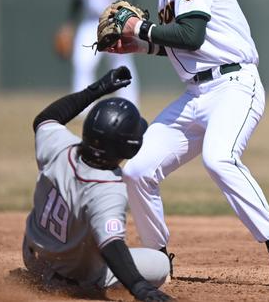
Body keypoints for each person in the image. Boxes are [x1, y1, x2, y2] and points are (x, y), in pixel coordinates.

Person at [103, 0, 269, 285]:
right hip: (197, 95)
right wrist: (142, 44)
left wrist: (140, 29)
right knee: (139, 170)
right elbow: (186, 43)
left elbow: (191, 36)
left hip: (234, 85)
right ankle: (157, 258)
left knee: (219, 158)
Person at [23, 65, 173, 301]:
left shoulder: (61, 147)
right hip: (70, 273)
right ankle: (68, 286)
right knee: (160, 264)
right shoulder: (106, 189)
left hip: (33, 256)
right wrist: (140, 288)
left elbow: (46, 119)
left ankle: (45, 275)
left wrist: (97, 89)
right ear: (129, 148)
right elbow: (111, 245)